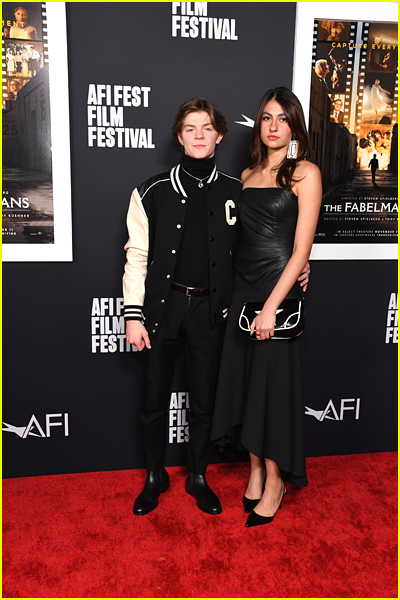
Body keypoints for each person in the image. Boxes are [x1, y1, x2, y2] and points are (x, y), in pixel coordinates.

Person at [122, 97, 311, 517]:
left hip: (212, 313)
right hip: (162, 309)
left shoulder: (236, 188)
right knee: (154, 399)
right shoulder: (149, 191)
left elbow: (263, 238)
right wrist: (133, 315)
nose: (199, 135)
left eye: (207, 128)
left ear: (220, 135)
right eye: (190, 128)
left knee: (204, 400)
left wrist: (301, 262)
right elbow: (136, 256)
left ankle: (198, 476)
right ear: (179, 136)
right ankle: (154, 477)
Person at [211, 88, 322, 528]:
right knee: (248, 387)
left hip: (278, 293)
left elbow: (300, 249)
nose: (273, 126)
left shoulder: (305, 173)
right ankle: (255, 469)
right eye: (265, 118)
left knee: (272, 391)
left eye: (282, 118)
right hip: (242, 290)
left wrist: (273, 306)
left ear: (295, 125)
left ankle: (275, 481)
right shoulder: (247, 173)